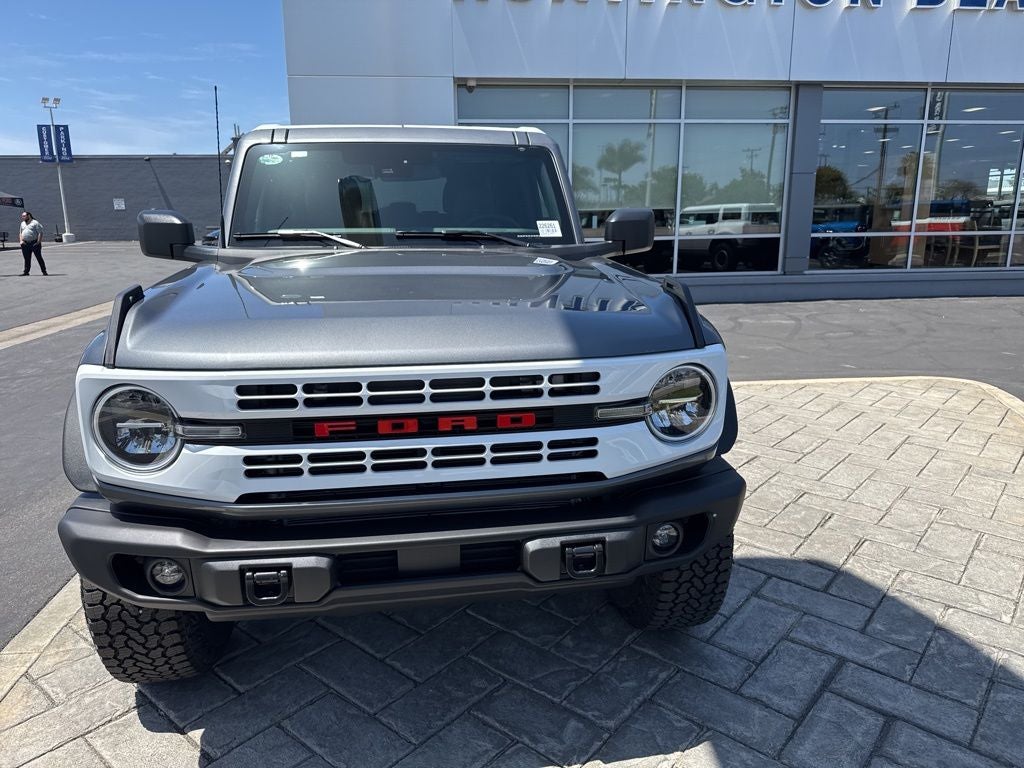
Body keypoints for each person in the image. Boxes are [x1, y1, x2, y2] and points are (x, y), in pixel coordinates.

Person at [18, 210, 47, 276]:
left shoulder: (35, 223)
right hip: (25, 244)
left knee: (39, 257)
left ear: (29, 216)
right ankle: (26, 272)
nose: (23, 217)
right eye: (22, 216)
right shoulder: (22, 223)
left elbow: (40, 232)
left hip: (34, 243)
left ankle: (44, 271)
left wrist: (38, 242)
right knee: (26, 258)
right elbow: (20, 233)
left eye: (24, 216)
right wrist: (21, 241)